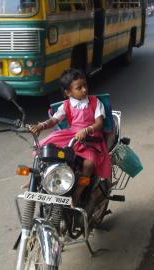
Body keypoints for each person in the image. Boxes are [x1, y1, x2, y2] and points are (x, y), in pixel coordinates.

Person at [29, 68, 112, 206]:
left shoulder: (95, 102)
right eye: (79, 88)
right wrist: (41, 126)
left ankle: (78, 192)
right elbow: (54, 120)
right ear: (68, 92)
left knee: (89, 163)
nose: (84, 90)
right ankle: (37, 177)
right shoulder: (66, 105)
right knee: (44, 148)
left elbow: (99, 123)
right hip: (72, 135)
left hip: (91, 138)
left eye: (85, 85)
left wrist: (87, 130)